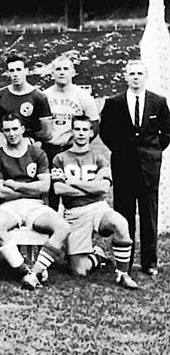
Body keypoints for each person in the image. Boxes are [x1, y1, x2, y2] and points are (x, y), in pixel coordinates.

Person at [99, 60, 170, 276]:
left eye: (140, 73)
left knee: (149, 214)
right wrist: (122, 150)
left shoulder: (158, 102)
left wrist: (152, 152)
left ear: (145, 76)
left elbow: (166, 133)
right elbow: (106, 132)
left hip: (149, 166)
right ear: (125, 76)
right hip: (123, 164)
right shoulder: (114, 102)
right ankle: (124, 262)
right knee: (124, 213)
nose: (136, 77)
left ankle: (150, 262)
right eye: (132, 73)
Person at [53, 116, 139, 289]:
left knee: (120, 223)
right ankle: (97, 255)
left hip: (97, 207)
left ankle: (122, 274)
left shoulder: (99, 157)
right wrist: (90, 186)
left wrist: (72, 182)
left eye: (85, 129)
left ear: (91, 132)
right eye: (77, 129)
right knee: (79, 271)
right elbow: (59, 190)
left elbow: (103, 188)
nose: (81, 133)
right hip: (74, 212)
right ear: (72, 131)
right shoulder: (60, 158)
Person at [0, 114, 69, 290]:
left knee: (62, 227)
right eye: (7, 130)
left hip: (35, 205)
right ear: (3, 132)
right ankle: (23, 270)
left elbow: (44, 187)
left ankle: (36, 271)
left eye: (14, 129)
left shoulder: (37, 153)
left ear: (22, 129)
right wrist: (28, 188)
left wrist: (15, 186)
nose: (11, 133)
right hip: (9, 206)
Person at [43, 55, 100, 209]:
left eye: (66, 69)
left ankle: (77, 225)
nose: (62, 72)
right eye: (58, 69)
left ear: (73, 72)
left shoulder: (82, 96)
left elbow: (94, 125)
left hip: (72, 150)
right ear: (52, 73)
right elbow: (38, 125)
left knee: (74, 190)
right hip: (50, 148)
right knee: (50, 195)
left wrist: (78, 143)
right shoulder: (45, 96)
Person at [0, 54, 52, 149]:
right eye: (12, 71)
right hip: (4, 142)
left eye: (18, 70)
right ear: (7, 73)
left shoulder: (39, 97)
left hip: (28, 143)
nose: (15, 74)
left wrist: (29, 139)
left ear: (26, 71)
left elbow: (46, 132)